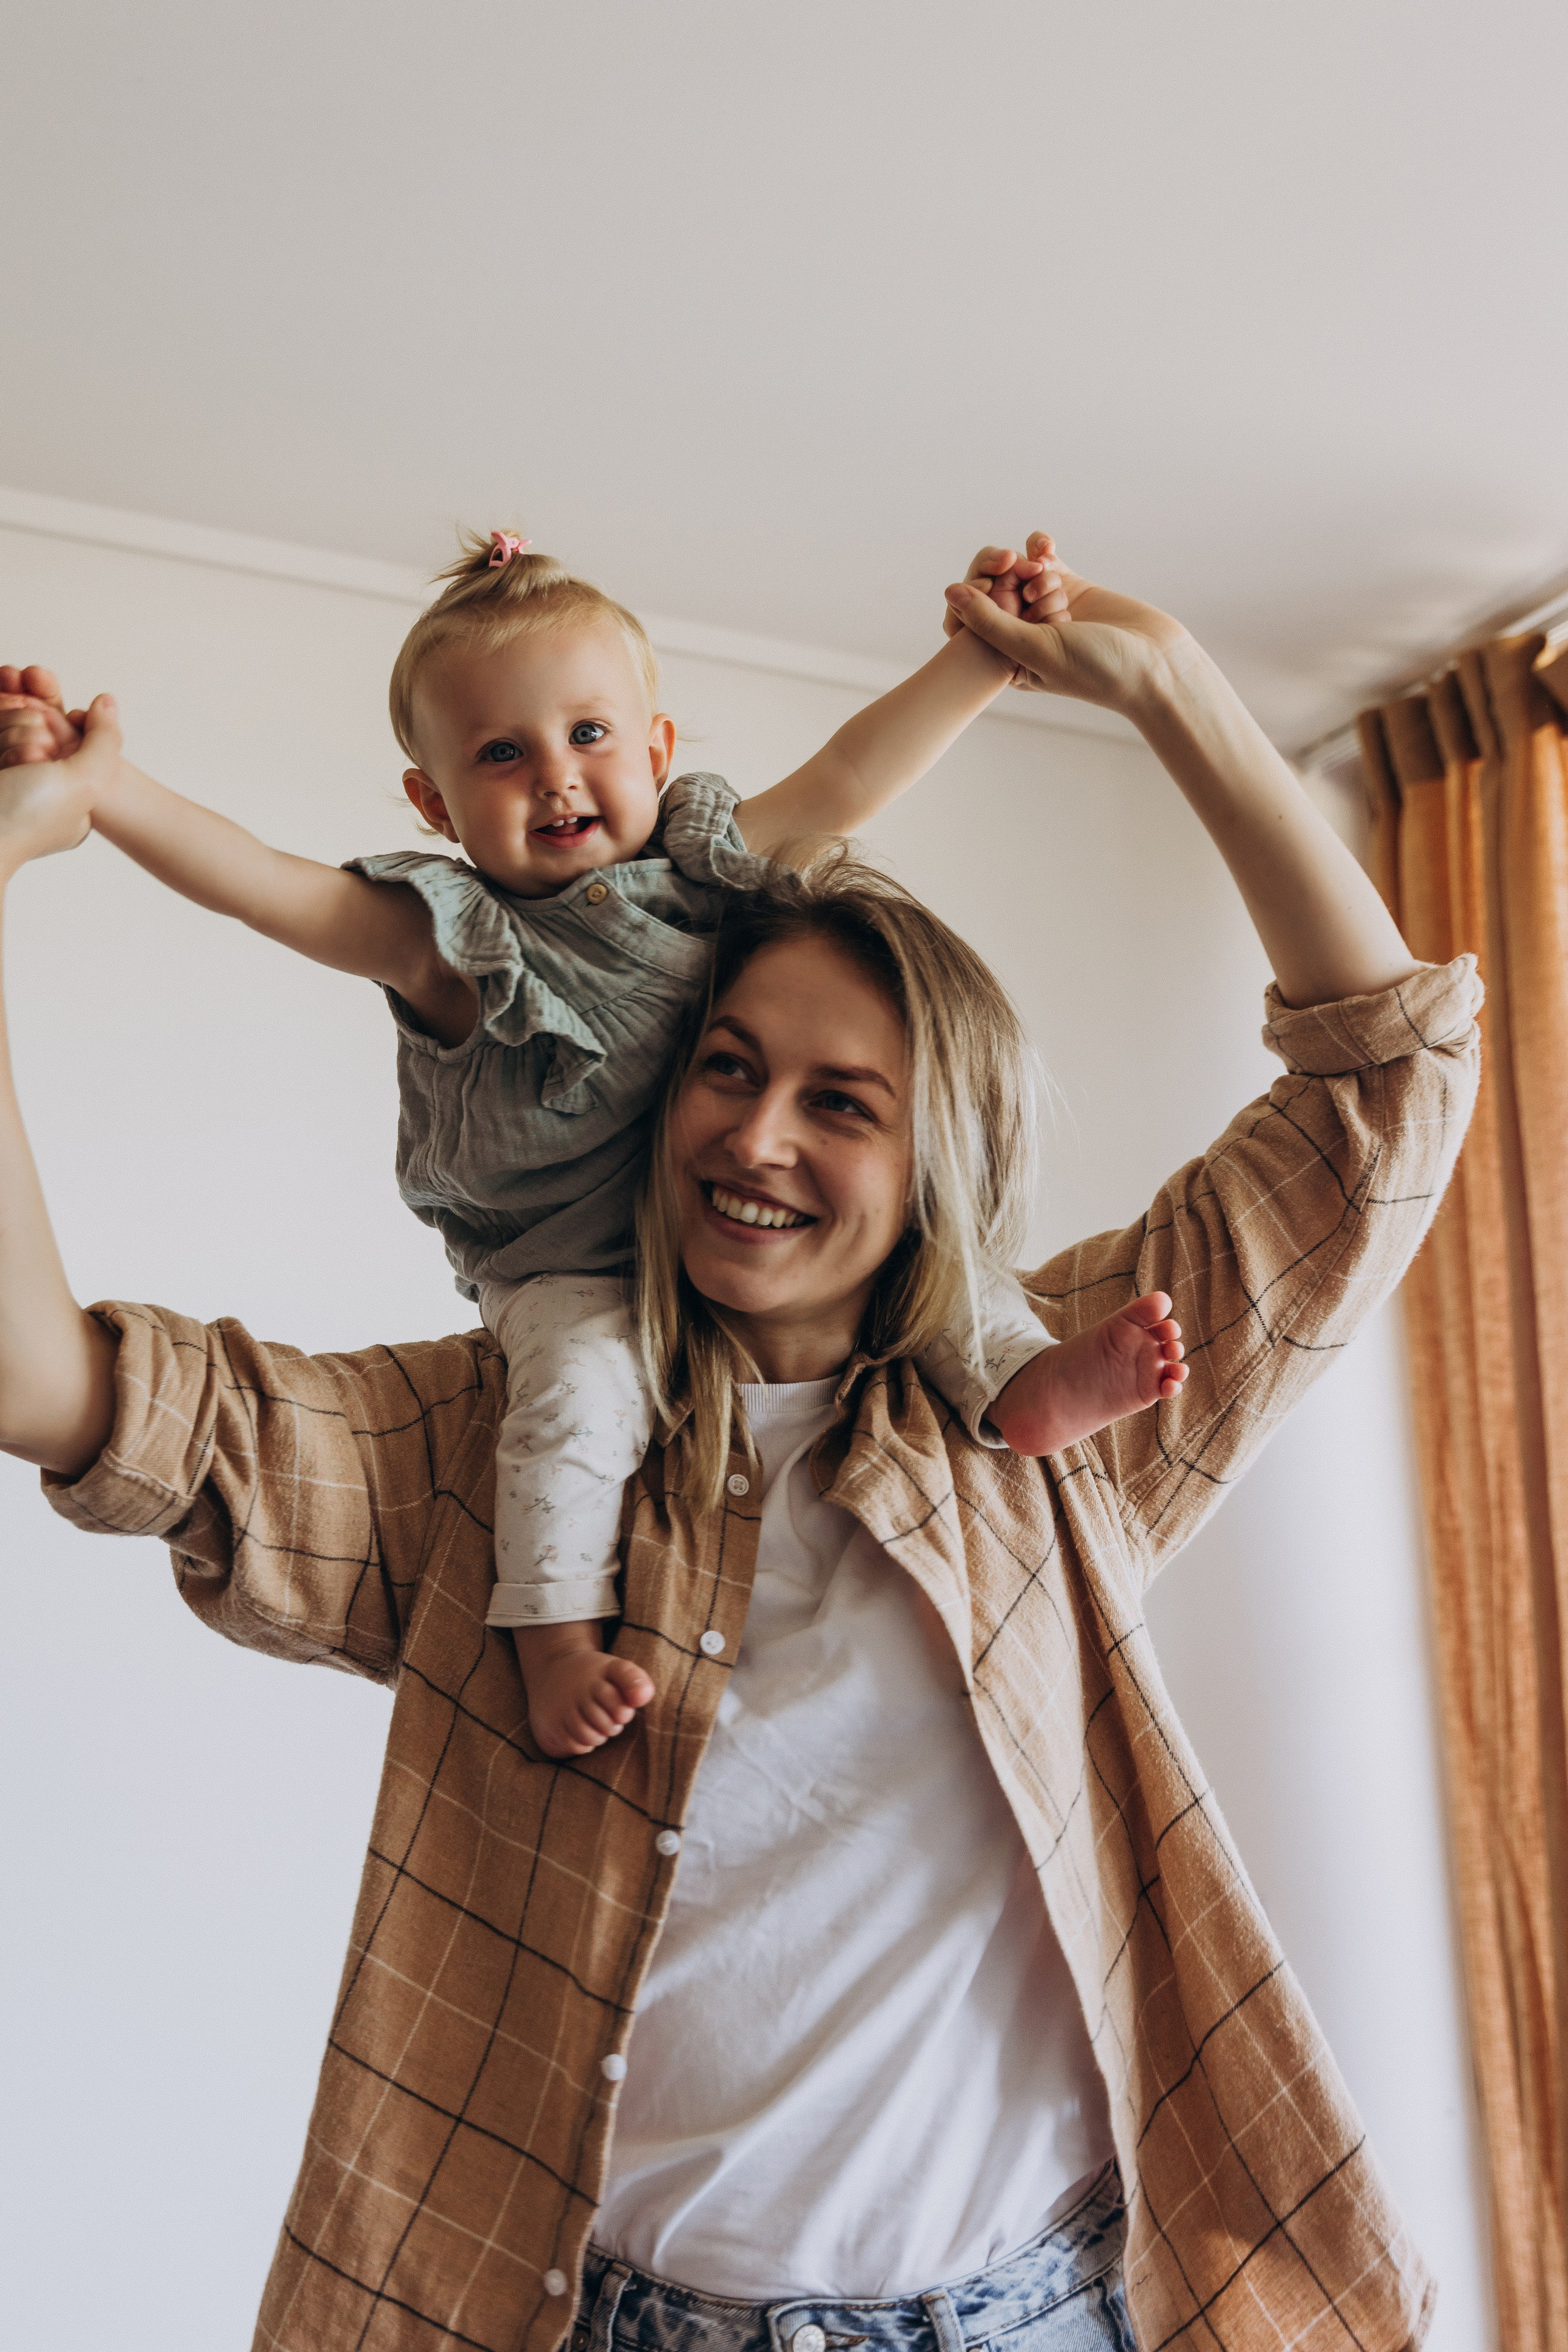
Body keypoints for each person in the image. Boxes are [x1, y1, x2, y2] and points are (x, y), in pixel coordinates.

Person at [0, 543, 1477, 2351]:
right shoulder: (476, 1452)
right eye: (725, 1065)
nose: (758, 1135)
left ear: (927, 1158)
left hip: (1044, 2313)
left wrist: (1167, 680)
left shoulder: (1056, 1414)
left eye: (840, 1103)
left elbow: (1385, 1092)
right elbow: (50, 1391)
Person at [0, 530, 1183, 1760]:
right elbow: (263, 882)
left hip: (729, 1229)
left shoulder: (706, 874)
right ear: (433, 803)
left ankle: (1021, 1385)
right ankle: (555, 1634)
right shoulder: (451, 943)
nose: (555, 778)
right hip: (571, 1269)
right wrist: (106, 789)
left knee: (931, 1268)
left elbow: (845, 777)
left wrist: (983, 657)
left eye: (589, 736)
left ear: (659, 750)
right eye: (500, 754)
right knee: (572, 1404)